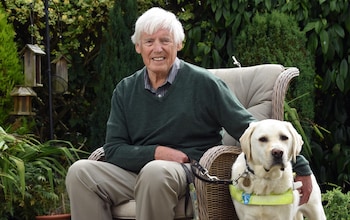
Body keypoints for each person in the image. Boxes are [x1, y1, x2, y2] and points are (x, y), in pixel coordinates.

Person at [66, 7, 313, 220]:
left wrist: (300, 166)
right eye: (149, 41)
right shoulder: (125, 90)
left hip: (188, 172)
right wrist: (155, 152)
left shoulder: (204, 84)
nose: (157, 49)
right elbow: (114, 150)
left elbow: (249, 129)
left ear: (179, 44)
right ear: (138, 47)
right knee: (80, 171)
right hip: (136, 172)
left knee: (156, 171)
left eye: (165, 40)